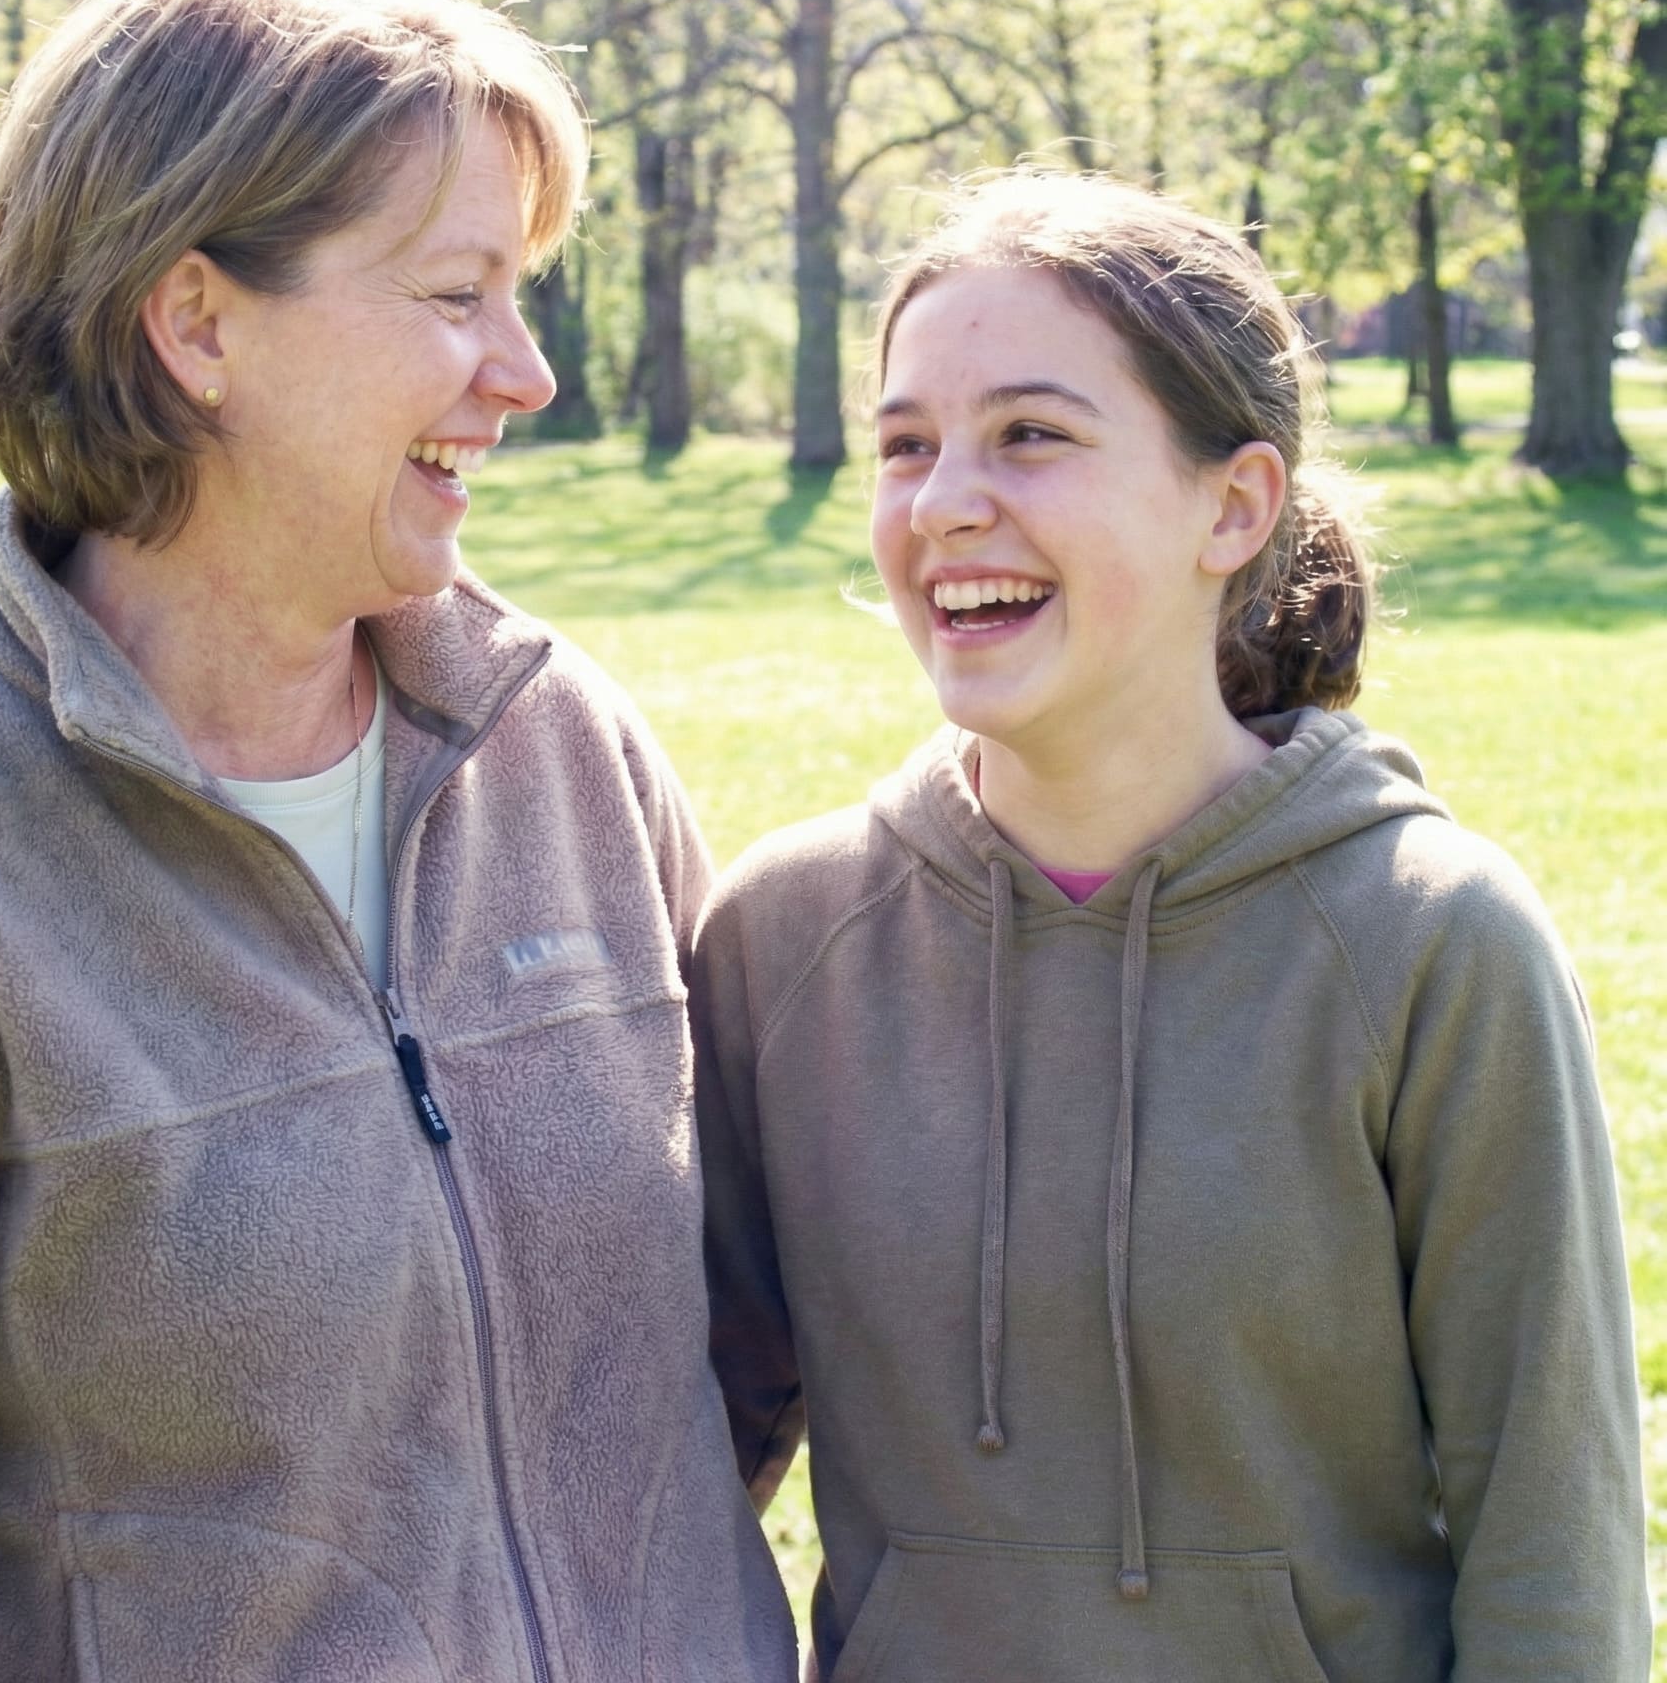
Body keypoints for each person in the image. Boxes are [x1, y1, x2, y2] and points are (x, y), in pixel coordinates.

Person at [0, 0, 796, 1683]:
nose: (527, 372)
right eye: (453, 295)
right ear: (197, 322)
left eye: (523, 293)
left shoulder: (569, 756)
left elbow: (730, 1347)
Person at [691, 171, 1649, 1682]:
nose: (946, 503)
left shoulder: (1435, 947)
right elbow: (672, 1485)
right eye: (905, 446)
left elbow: (1557, 1565)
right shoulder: (780, 939)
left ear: (1235, 504)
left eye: (1032, 436)